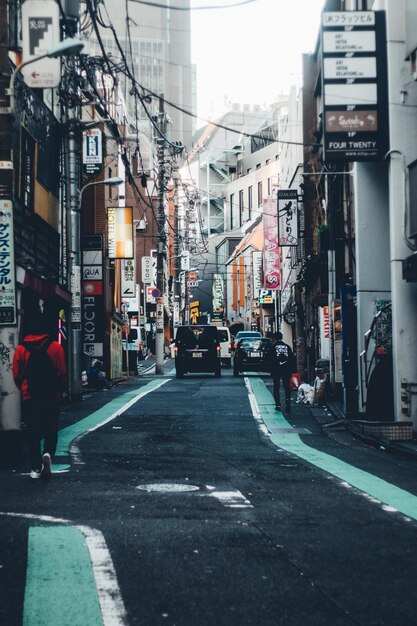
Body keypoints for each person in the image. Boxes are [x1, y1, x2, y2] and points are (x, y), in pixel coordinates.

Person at [12, 313, 67, 479]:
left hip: (30, 397)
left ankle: (35, 467)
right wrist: (58, 390)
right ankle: (48, 454)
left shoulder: (21, 349)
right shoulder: (55, 347)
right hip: (51, 397)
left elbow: (16, 374)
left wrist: (23, 389)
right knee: (51, 429)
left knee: (33, 432)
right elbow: (62, 373)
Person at [268, 331, 295, 412]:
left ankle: (278, 404)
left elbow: (270, 359)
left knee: (276, 387)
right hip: (286, 369)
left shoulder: (273, 347)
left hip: (276, 369)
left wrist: (270, 369)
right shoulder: (287, 347)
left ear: (274, 338)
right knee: (287, 387)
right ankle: (287, 403)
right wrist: (292, 369)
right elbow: (291, 359)